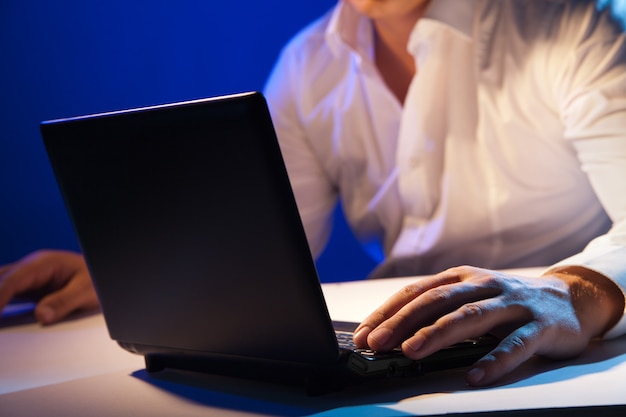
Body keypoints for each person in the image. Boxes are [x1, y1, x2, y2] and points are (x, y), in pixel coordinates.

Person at [1, 0, 625, 387]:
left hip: (552, 365)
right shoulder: (309, 65)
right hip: (396, 355)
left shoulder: (580, 22)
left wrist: (578, 289)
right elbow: (255, 249)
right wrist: (131, 276)